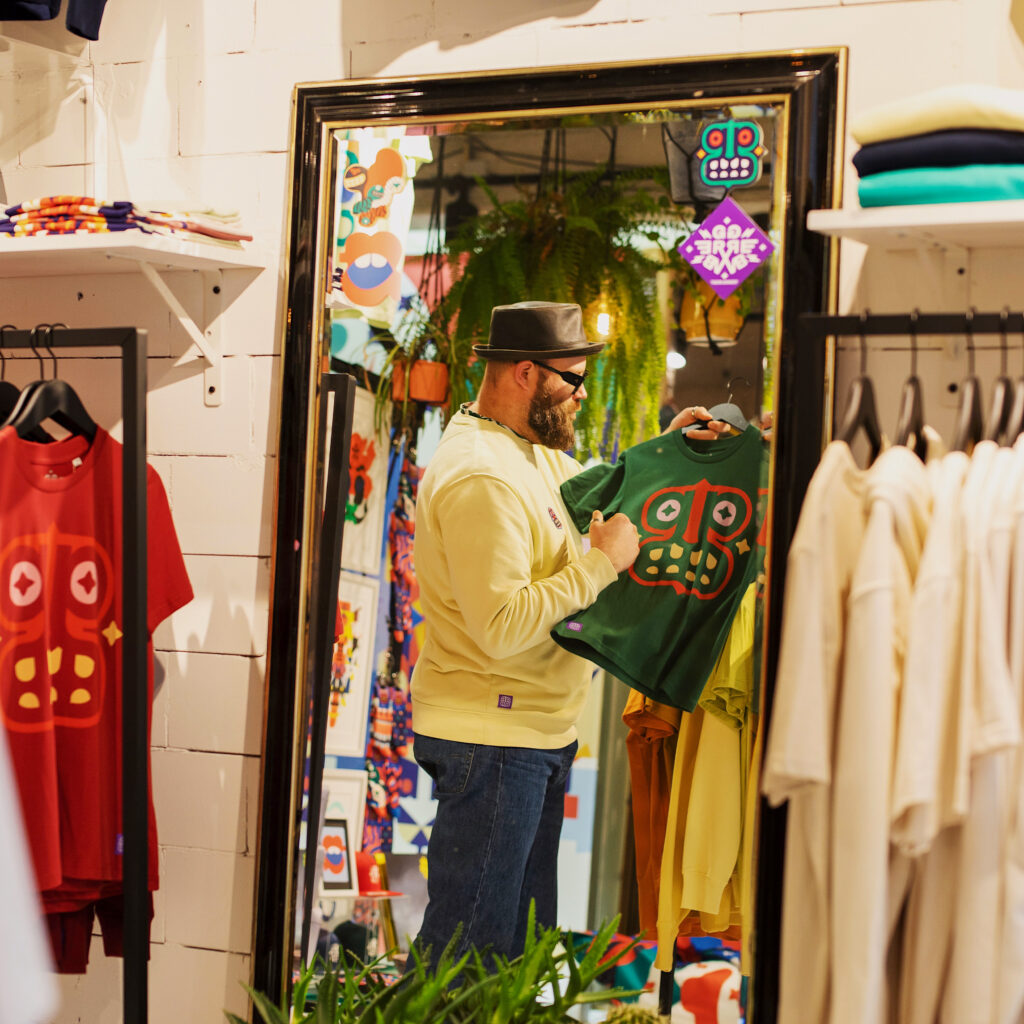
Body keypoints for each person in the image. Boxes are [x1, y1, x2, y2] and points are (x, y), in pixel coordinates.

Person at [407, 300, 724, 968]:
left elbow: (598, 493)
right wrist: (599, 565)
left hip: (532, 735)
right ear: (525, 374)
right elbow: (501, 626)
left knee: (512, 959)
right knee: (468, 964)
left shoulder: (529, 453)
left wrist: (669, 448)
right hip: (491, 737)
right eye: (572, 380)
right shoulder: (483, 476)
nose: (582, 395)